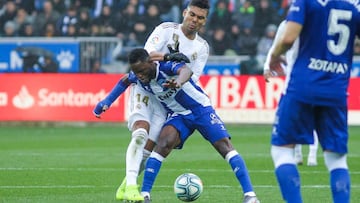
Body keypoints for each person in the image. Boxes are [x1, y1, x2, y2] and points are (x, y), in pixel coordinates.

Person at [94, 0, 210, 202]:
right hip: (145, 88)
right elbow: (146, 59)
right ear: (184, 13)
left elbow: (191, 78)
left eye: (200, 17)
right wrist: (169, 57)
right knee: (140, 133)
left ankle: (124, 186)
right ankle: (132, 188)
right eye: (192, 14)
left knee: (149, 147)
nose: (194, 20)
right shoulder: (164, 30)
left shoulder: (201, 47)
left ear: (204, 20)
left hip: (165, 97)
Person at [128, 48, 260, 203]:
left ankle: (250, 196)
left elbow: (186, 71)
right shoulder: (140, 77)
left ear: (150, 63)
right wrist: (106, 103)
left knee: (224, 146)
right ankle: (145, 195)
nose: (140, 75)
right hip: (179, 115)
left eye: (142, 70)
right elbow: (125, 80)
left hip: (200, 109)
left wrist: (178, 82)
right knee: (162, 144)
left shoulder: (165, 66)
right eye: (137, 72)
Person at [267, 0, 359, 202]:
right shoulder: (351, 9)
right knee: (337, 160)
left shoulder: (305, 3)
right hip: (336, 91)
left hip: (302, 88)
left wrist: (274, 55)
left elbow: (289, 38)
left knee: (282, 150)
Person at [263, 20, 319, 167]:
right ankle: (305, 156)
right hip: (312, 78)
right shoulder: (318, 19)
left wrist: (267, 66)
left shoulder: (288, 23)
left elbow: (276, 47)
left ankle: (305, 155)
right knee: (308, 118)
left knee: (296, 118)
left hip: (296, 81)